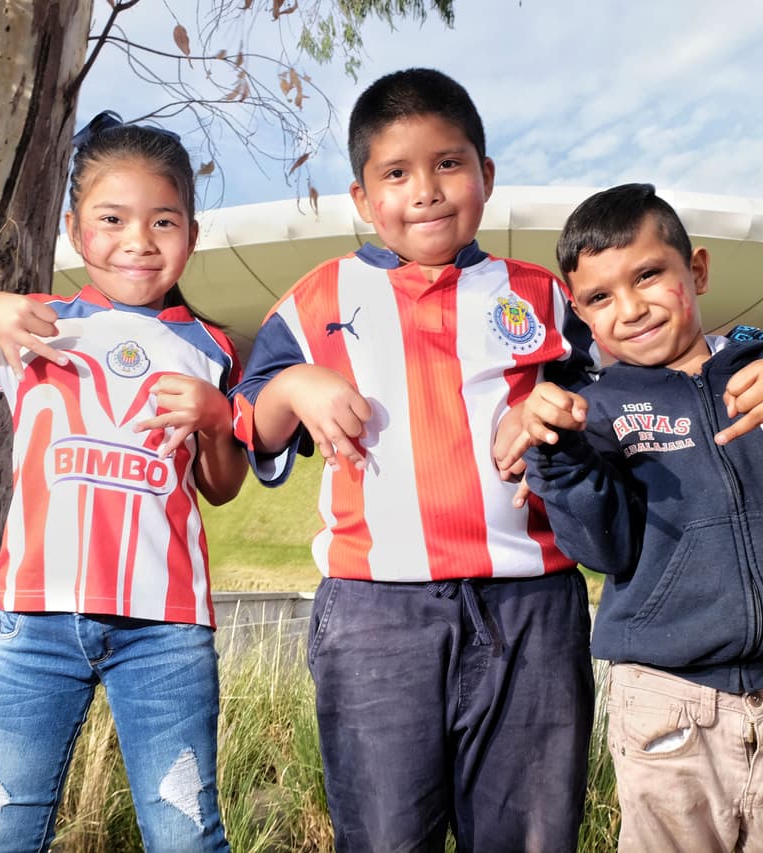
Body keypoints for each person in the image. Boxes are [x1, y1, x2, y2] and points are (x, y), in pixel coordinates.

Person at [229, 68, 598, 852]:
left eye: (448, 164)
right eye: (396, 174)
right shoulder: (315, 298)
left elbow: (605, 402)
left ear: (486, 176)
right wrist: (293, 383)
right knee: (386, 837)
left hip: (530, 607)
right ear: (363, 199)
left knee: (532, 835)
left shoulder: (541, 296)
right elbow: (253, 426)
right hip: (375, 616)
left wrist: (556, 412)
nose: (425, 190)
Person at [0, 111, 243, 853]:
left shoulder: (210, 347)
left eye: (164, 221)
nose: (139, 240)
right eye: (113, 218)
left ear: (192, 236)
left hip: (165, 630)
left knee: (187, 835)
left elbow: (223, 483)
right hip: (33, 622)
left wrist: (214, 418)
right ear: (76, 230)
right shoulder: (33, 326)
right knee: (0, 831)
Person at [515, 183, 763, 852]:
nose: (631, 307)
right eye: (600, 297)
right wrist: (555, 458)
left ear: (696, 270)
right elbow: (604, 549)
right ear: (581, 315)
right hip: (664, 711)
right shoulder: (599, 411)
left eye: (649, 274)